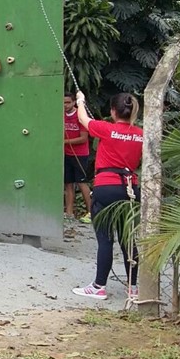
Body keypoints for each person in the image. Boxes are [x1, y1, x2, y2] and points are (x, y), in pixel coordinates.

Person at [71, 91, 142, 301]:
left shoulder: (107, 128)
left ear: (113, 111)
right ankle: (133, 288)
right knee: (128, 239)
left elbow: (83, 119)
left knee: (105, 239)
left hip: (106, 187)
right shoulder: (140, 133)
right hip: (130, 188)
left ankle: (99, 286)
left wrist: (81, 101)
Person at [64, 92, 93, 223]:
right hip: (66, 153)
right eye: (63, 103)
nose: (65, 105)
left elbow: (83, 138)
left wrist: (64, 142)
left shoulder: (79, 116)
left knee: (82, 183)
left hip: (80, 154)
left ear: (74, 102)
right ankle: (69, 213)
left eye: (68, 102)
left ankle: (91, 212)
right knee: (68, 183)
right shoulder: (60, 115)